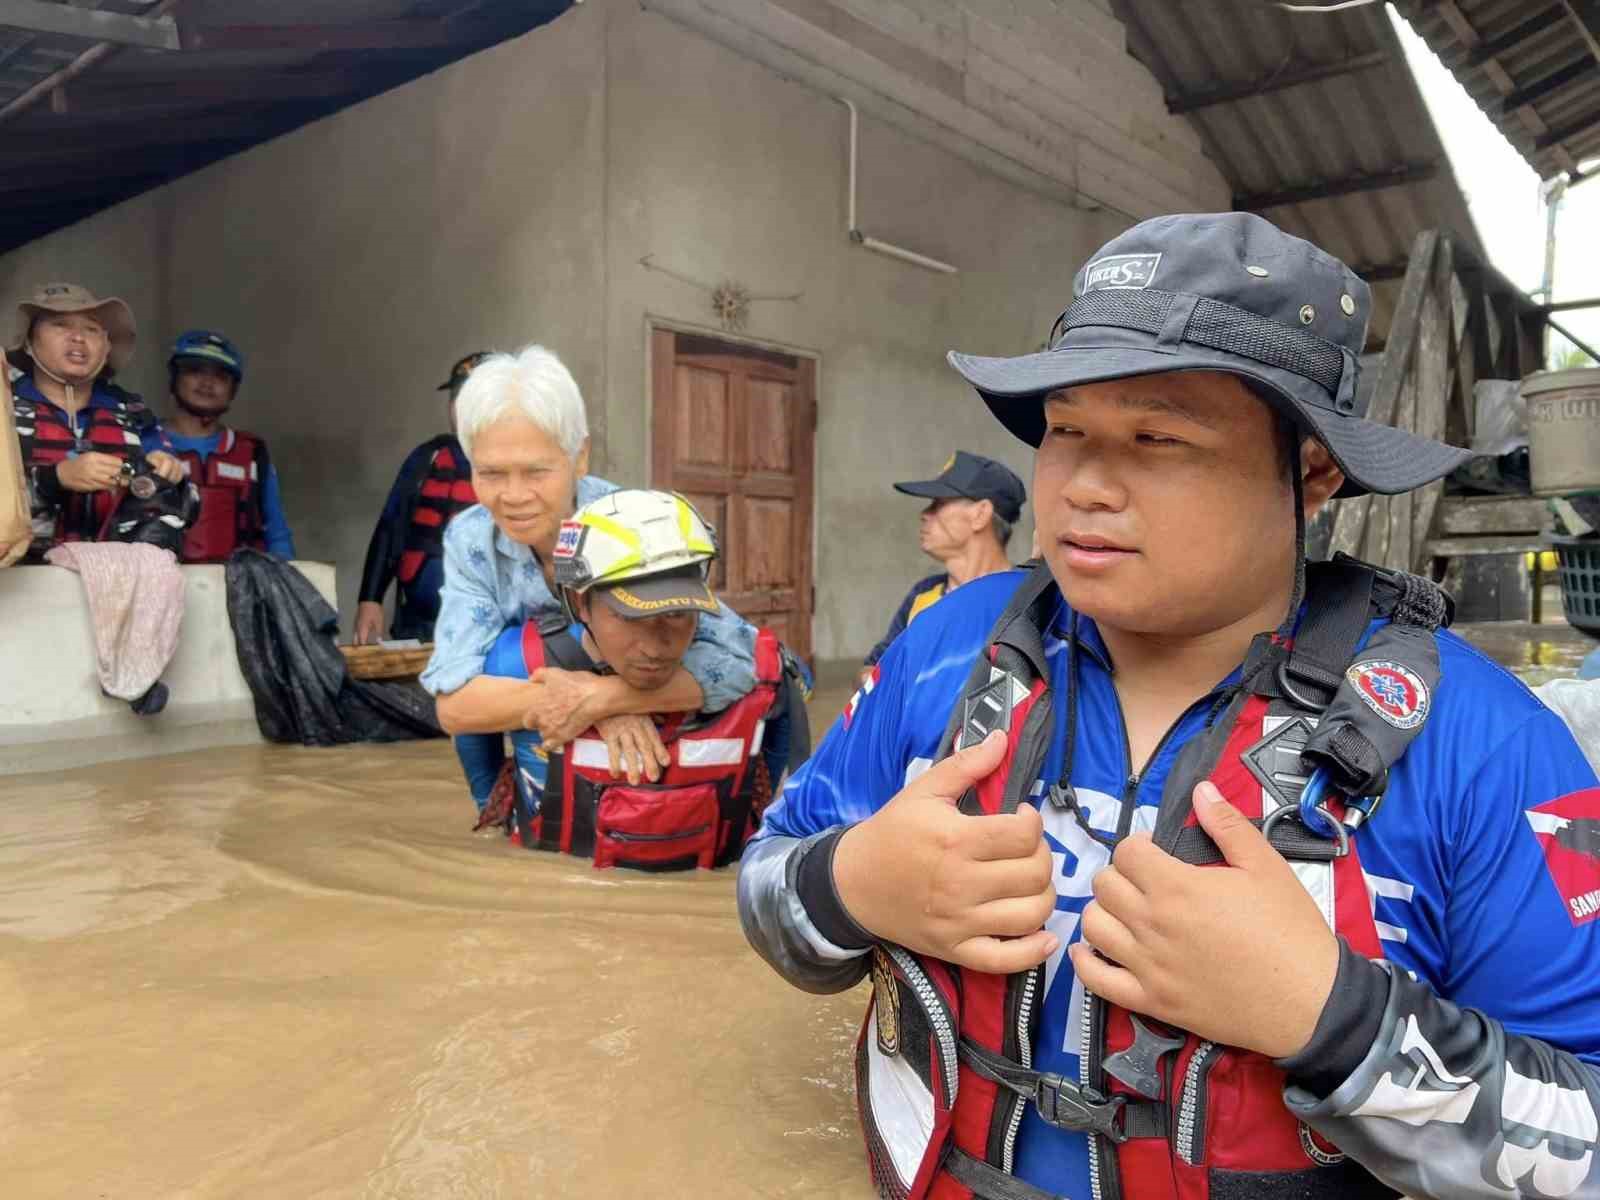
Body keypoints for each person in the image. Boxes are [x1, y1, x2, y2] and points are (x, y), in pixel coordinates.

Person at [740, 213, 1600, 1200]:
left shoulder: (1480, 743)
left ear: (1313, 471)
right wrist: (850, 885)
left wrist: (1335, 1017)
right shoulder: (947, 651)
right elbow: (764, 884)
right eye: (1066, 432)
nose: (1085, 489)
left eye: (1158, 438)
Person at [419, 344, 759, 815]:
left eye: (537, 472)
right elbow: (453, 704)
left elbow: (739, 660)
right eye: (491, 473)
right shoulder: (471, 540)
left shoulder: (635, 524)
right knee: (505, 656)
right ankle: (495, 814)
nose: (513, 496)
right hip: (551, 690)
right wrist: (573, 701)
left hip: (636, 687)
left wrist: (606, 698)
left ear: (579, 457)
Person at [475, 488, 806, 869]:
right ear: (581, 602)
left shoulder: (749, 664)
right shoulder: (516, 663)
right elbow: (472, 738)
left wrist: (609, 697)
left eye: (677, 614)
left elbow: (785, 721)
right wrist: (488, 805)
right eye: (630, 617)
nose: (655, 646)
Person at [5, 283, 185, 559]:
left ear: (107, 347)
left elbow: (188, 505)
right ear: (29, 342)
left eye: (91, 328)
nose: (78, 337)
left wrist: (171, 478)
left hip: (117, 589)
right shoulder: (4, 409)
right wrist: (55, 479)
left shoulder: (133, 415)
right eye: (60, 325)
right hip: (16, 589)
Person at [353, 352, 488, 645]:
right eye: (456, 396)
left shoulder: (516, 464)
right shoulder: (428, 457)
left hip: (488, 628)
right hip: (418, 626)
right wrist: (370, 598)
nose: (460, 406)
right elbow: (390, 528)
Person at [862, 450, 1025, 671]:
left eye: (938, 504)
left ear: (981, 514)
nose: (925, 514)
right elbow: (872, 669)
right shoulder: (923, 595)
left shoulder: (1027, 597)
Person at [162, 329, 295, 562]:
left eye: (221, 376)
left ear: (233, 390)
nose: (207, 382)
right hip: (161, 586)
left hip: (238, 588)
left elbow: (277, 534)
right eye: (195, 371)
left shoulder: (252, 453)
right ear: (174, 378)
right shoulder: (143, 442)